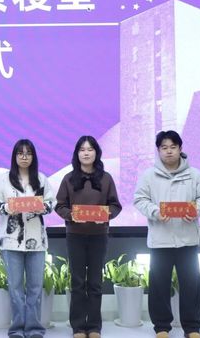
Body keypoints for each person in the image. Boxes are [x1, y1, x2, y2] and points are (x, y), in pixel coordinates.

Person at [134, 130, 200, 338]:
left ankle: (192, 328)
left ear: (180, 149)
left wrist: (196, 210)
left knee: (191, 285)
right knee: (159, 285)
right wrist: (155, 212)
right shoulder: (149, 175)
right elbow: (139, 199)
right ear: (158, 151)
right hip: (160, 239)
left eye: (173, 147)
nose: (169, 151)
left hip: (188, 239)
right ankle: (161, 327)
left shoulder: (194, 175)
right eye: (164, 148)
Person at [54, 136, 122, 338]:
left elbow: (115, 205)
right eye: (82, 149)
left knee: (95, 282)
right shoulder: (68, 178)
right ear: (77, 153)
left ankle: (93, 326)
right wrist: (71, 215)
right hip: (75, 235)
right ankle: (77, 326)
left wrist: (106, 215)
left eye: (90, 149)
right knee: (77, 282)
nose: (86, 153)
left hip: (99, 236)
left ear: (96, 153)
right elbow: (60, 205)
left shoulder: (106, 178)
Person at [0, 139, 54, 338]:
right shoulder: (4, 180)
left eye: (28, 153)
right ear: (15, 156)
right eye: (20, 153)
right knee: (15, 287)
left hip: (37, 241)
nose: (24, 157)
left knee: (35, 287)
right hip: (11, 241)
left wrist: (42, 207)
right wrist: (7, 207)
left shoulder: (41, 179)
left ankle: (34, 328)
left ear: (33, 157)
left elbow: (51, 202)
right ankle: (17, 328)